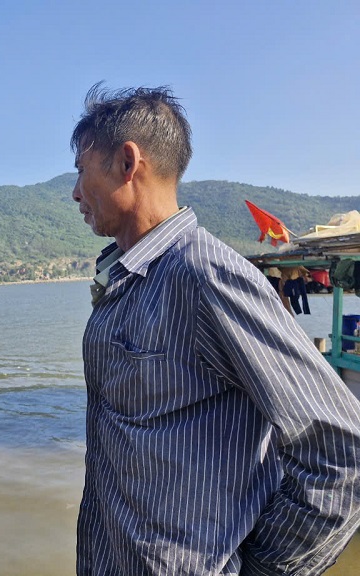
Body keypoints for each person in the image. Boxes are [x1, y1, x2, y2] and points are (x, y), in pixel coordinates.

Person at [70, 84, 360, 575]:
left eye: (81, 171)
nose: (76, 192)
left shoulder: (204, 275)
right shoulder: (128, 277)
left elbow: (341, 453)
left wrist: (263, 569)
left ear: (127, 162)